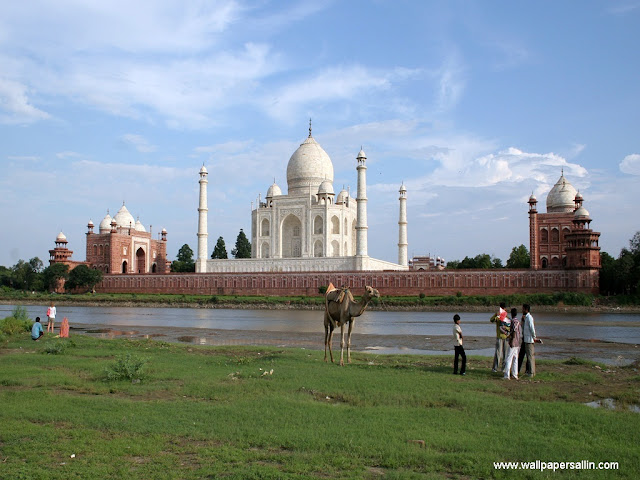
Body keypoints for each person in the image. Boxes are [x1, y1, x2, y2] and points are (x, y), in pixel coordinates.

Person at [490, 302, 509, 372]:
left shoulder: (507, 317)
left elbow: (509, 327)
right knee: (498, 353)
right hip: (499, 337)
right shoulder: (498, 317)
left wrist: (506, 328)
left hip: (506, 337)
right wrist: (496, 314)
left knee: (505, 354)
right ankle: (495, 368)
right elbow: (491, 320)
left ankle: (503, 369)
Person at [504, 308, 521, 380]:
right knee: (515, 359)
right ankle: (515, 374)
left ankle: (506, 375)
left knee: (508, 358)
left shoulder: (513, 322)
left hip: (514, 342)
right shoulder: (518, 321)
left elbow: (513, 332)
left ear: (511, 314)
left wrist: (511, 341)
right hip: (517, 342)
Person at [521, 304, 537, 377]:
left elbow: (532, 328)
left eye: (523, 309)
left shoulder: (529, 318)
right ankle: (530, 371)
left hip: (529, 340)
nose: (522, 310)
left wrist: (534, 337)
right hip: (526, 340)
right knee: (529, 357)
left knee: (530, 357)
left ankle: (531, 373)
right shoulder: (526, 318)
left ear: (526, 309)